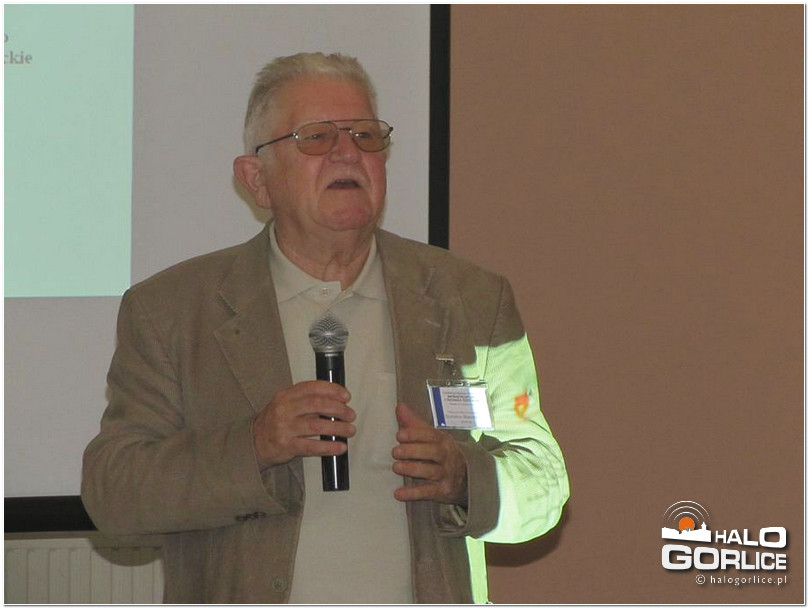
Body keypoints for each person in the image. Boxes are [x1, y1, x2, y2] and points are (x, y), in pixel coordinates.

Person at [81, 52, 569, 604]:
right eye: (315, 137)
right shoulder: (173, 311)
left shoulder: (470, 300)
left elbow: (544, 484)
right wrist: (252, 446)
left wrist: (466, 478)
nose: (348, 152)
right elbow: (114, 495)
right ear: (257, 180)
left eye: (366, 135)